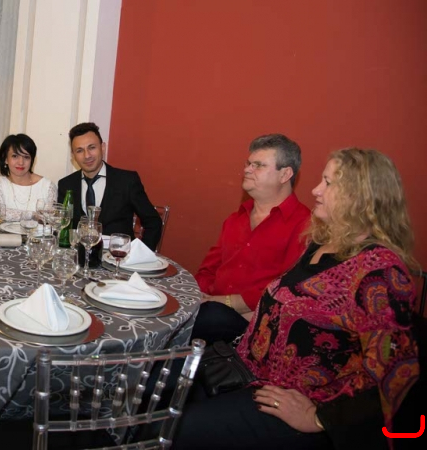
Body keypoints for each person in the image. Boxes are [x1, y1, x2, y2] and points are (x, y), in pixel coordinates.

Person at [174, 148, 420, 450]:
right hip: (244, 372)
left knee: (178, 430)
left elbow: (397, 371)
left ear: (361, 197)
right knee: (161, 395)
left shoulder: (380, 272)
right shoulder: (321, 245)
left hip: (295, 401)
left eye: (328, 183)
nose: (316, 190)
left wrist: (319, 418)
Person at [192, 134, 311, 344]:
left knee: (208, 317)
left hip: (257, 326)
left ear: (285, 174)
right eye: (248, 163)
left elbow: (286, 290)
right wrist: (199, 296)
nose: (247, 169)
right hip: (211, 311)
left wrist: (224, 302)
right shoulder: (235, 219)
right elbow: (208, 270)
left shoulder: (304, 225)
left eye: (259, 165)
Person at [57, 122, 161, 249]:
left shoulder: (127, 181)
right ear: (73, 156)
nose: (87, 155)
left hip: (118, 256)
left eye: (92, 147)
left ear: (103, 148)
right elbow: (62, 226)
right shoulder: (66, 184)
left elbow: (153, 222)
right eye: (79, 150)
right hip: (79, 256)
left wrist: (141, 254)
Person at [0, 134, 57, 221]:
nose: (21, 162)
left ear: (32, 160)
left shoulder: (48, 186)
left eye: (26, 157)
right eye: (15, 156)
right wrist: (32, 215)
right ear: (5, 159)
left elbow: (49, 218)